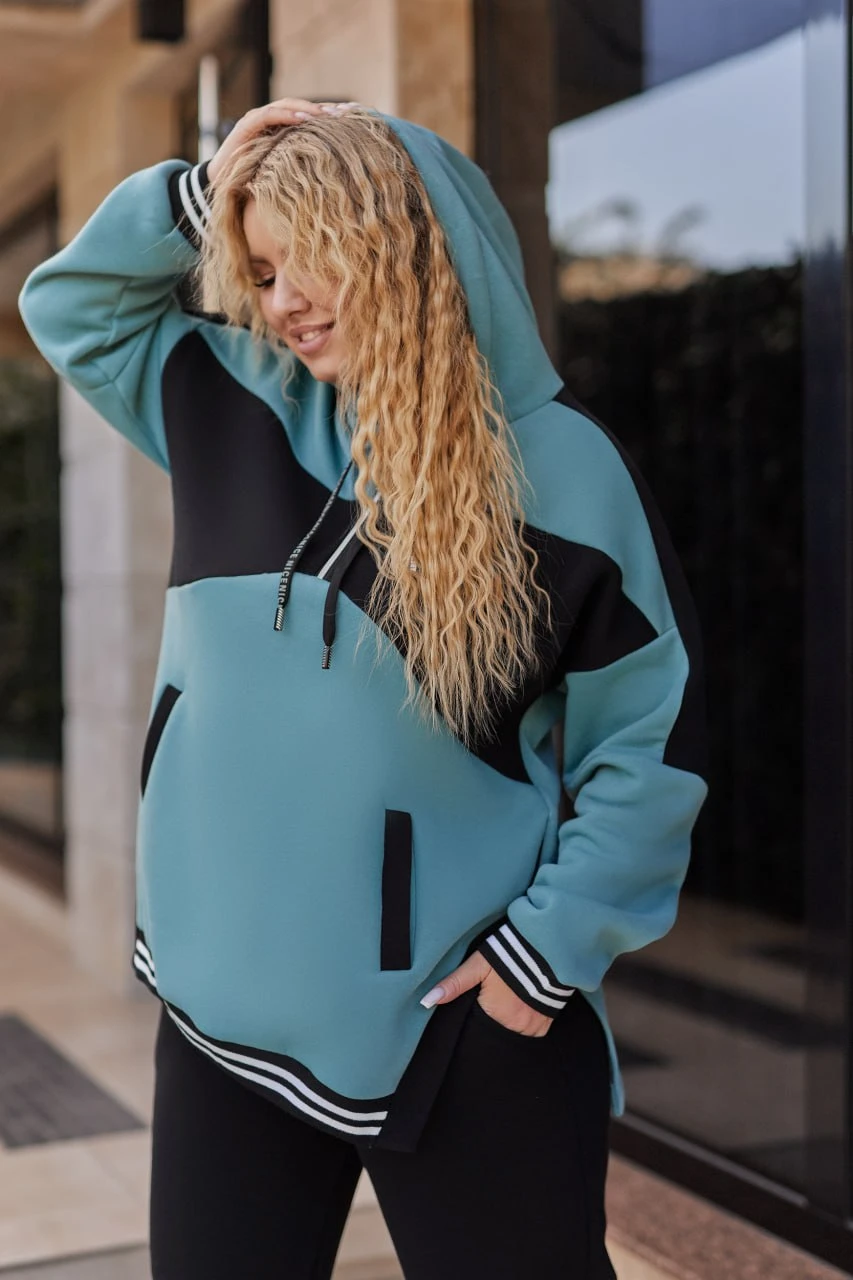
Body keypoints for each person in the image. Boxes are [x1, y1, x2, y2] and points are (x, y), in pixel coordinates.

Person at [19, 98, 708, 1279]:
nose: (282, 300)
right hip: (221, 1010)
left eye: (312, 255)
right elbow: (69, 306)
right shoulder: (226, 395)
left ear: (404, 241)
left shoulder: (561, 470)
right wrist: (202, 188)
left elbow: (651, 738)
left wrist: (546, 954)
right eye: (260, 269)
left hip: (458, 1025)